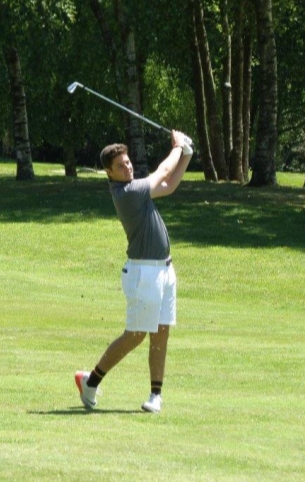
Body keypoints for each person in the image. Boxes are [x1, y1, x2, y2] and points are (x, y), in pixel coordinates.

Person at [75, 130, 193, 414]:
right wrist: (177, 146)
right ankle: (91, 381)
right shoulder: (127, 192)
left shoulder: (136, 188)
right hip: (143, 273)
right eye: (120, 165)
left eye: (128, 162)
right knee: (136, 334)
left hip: (165, 270)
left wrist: (186, 154)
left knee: (161, 332)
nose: (127, 167)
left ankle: (155, 395)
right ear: (109, 173)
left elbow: (169, 184)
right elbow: (164, 170)